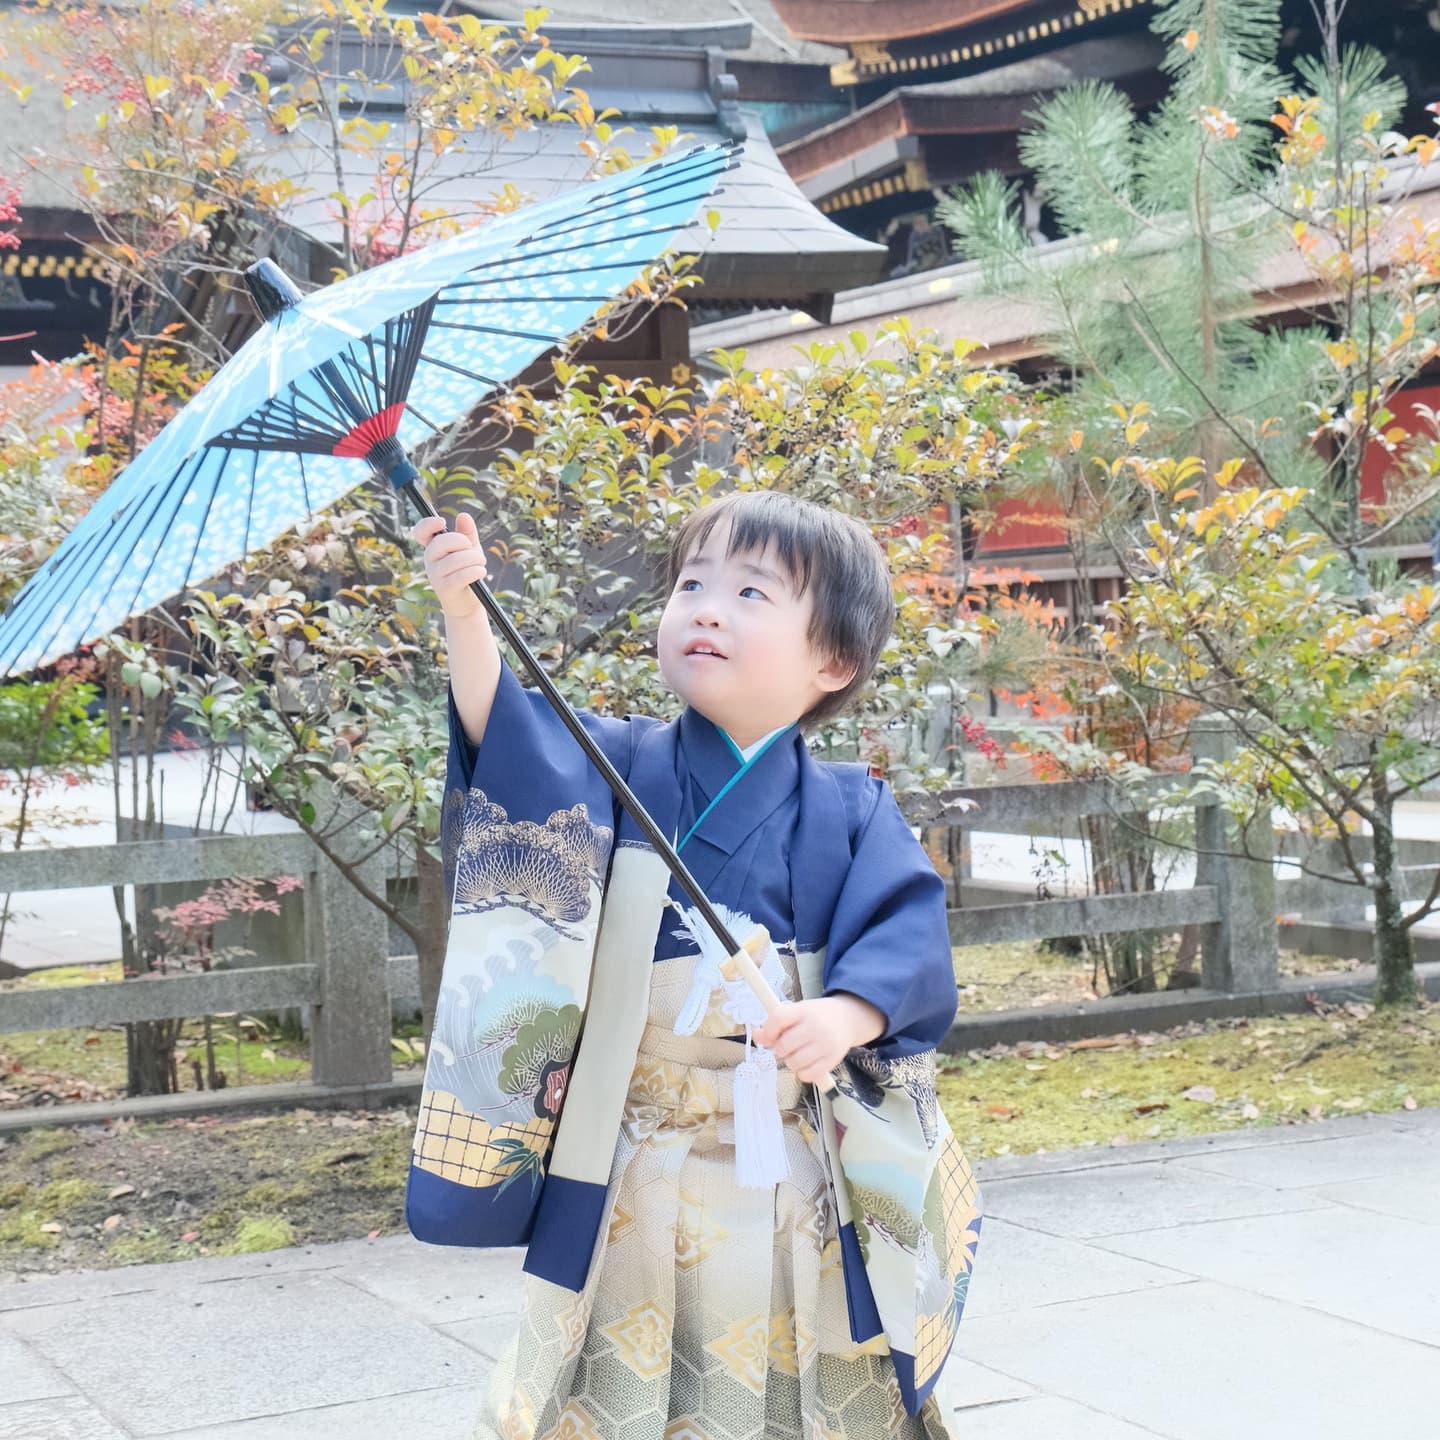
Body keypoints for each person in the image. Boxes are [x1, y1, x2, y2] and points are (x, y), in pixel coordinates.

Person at [410, 490, 981, 1440]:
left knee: (807, 1358)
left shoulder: (852, 807)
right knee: (621, 1366)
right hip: (638, 1149)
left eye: (751, 593)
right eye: (691, 585)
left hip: (793, 1153)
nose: (706, 609)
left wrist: (844, 1016)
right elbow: (510, 745)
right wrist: (468, 618)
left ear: (834, 661)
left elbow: (905, 934)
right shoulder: (619, 764)